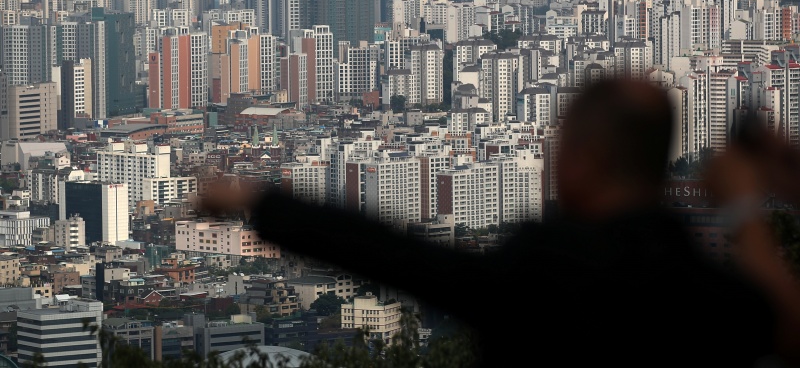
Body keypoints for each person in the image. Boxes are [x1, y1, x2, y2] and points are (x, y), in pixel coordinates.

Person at [205, 80, 786, 367]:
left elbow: (393, 255)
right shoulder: (711, 295)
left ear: (581, 161)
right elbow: (783, 322)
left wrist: (258, 202)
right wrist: (747, 208)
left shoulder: (543, 271)